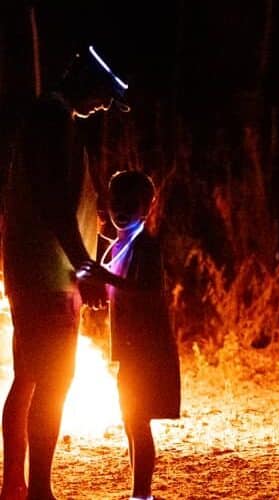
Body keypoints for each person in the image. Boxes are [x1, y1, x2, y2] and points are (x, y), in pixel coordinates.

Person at [1, 45, 128, 500]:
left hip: (36, 267)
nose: (104, 106)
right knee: (52, 379)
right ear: (80, 79)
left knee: (30, 376)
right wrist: (84, 265)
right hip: (48, 273)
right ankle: (37, 490)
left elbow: (63, 203)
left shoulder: (53, 117)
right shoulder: (53, 119)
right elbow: (55, 202)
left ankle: (16, 484)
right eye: (103, 95)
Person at [77, 171, 180, 500]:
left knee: (138, 421)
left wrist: (103, 276)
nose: (121, 209)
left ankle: (142, 494)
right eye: (116, 201)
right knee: (131, 419)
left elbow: (148, 292)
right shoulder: (122, 244)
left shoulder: (145, 247)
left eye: (130, 204)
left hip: (147, 350)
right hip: (133, 350)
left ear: (146, 207)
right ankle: (139, 492)